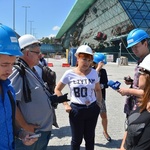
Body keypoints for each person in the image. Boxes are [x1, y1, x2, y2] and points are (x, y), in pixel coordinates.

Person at [9, 34, 54, 150]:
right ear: (27, 53)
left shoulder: (31, 70)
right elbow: (11, 102)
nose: (40, 56)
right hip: (29, 135)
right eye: (37, 53)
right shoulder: (18, 71)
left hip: (40, 132)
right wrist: (25, 126)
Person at [54, 45, 102, 150]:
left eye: (89, 60)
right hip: (77, 110)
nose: (86, 63)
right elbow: (57, 89)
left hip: (92, 109)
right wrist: (66, 105)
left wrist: (99, 104)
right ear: (78, 58)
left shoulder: (94, 73)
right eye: (84, 59)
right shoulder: (69, 73)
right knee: (77, 140)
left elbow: (98, 89)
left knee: (90, 139)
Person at [0, 24, 38, 149]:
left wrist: (21, 133)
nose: (10, 70)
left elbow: (7, 124)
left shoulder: (9, 90)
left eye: (12, 64)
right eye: (5, 64)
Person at [118, 28, 150, 150]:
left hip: (142, 105)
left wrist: (127, 91)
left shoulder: (147, 62)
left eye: (136, 46)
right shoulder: (141, 60)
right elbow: (144, 84)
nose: (134, 50)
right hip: (134, 105)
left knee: (137, 134)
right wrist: (132, 82)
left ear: (145, 43)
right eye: (132, 48)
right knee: (130, 127)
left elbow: (145, 90)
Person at [92, 53, 111, 142]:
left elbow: (106, 84)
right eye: (102, 63)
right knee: (91, 117)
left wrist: (101, 86)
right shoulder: (90, 70)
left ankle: (105, 131)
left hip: (101, 97)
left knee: (103, 115)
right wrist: (97, 69)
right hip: (91, 98)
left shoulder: (103, 71)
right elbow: (90, 82)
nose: (102, 65)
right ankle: (90, 133)